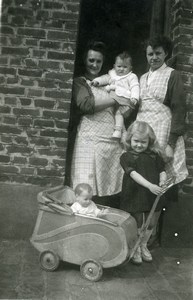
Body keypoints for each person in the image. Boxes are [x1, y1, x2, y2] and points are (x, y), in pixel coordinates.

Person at [136, 35, 188, 245]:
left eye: (158, 53)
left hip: (163, 132)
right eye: (150, 54)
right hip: (144, 134)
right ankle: (139, 235)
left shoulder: (172, 75)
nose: (154, 57)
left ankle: (151, 236)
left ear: (166, 53)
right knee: (144, 180)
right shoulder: (141, 78)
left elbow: (179, 109)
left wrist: (170, 143)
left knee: (160, 181)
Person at [65, 41, 124, 208]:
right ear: (85, 60)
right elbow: (86, 105)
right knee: (86, 183)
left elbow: (120, 110)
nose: (94, 64)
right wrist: (114, 98)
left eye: (98, 61)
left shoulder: (109, 82)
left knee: (107, 185)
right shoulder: (80, 82)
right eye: (91, 60)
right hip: (88, 140)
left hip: (109, 142)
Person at [120, 121, 167, 264]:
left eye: (143, 142)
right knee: (138, 223)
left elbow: (162, 170)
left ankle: (143, 244)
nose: (139, 145)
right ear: (129, 139)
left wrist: (162, 180)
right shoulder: (126, 156)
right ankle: (135, 247)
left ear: (149, 142)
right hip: (135, 192)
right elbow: (133, 174)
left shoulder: (155, 155)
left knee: (151, 222)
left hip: (152, 193)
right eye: (136, 141)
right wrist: (149, 186)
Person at [91, 51, 139, 139]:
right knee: (114, 116)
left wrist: (134, 97)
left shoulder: (131, 77)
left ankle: (117, 131)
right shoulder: (112, 75)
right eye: (119, 66)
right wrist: (97, 81)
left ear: (130, 68)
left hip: (126, 101)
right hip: (116, 101)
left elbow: (135, 86)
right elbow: (104, 78)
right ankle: (123, 134)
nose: (121, 69)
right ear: (114, 66)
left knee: (118, 114)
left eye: (125, 67)